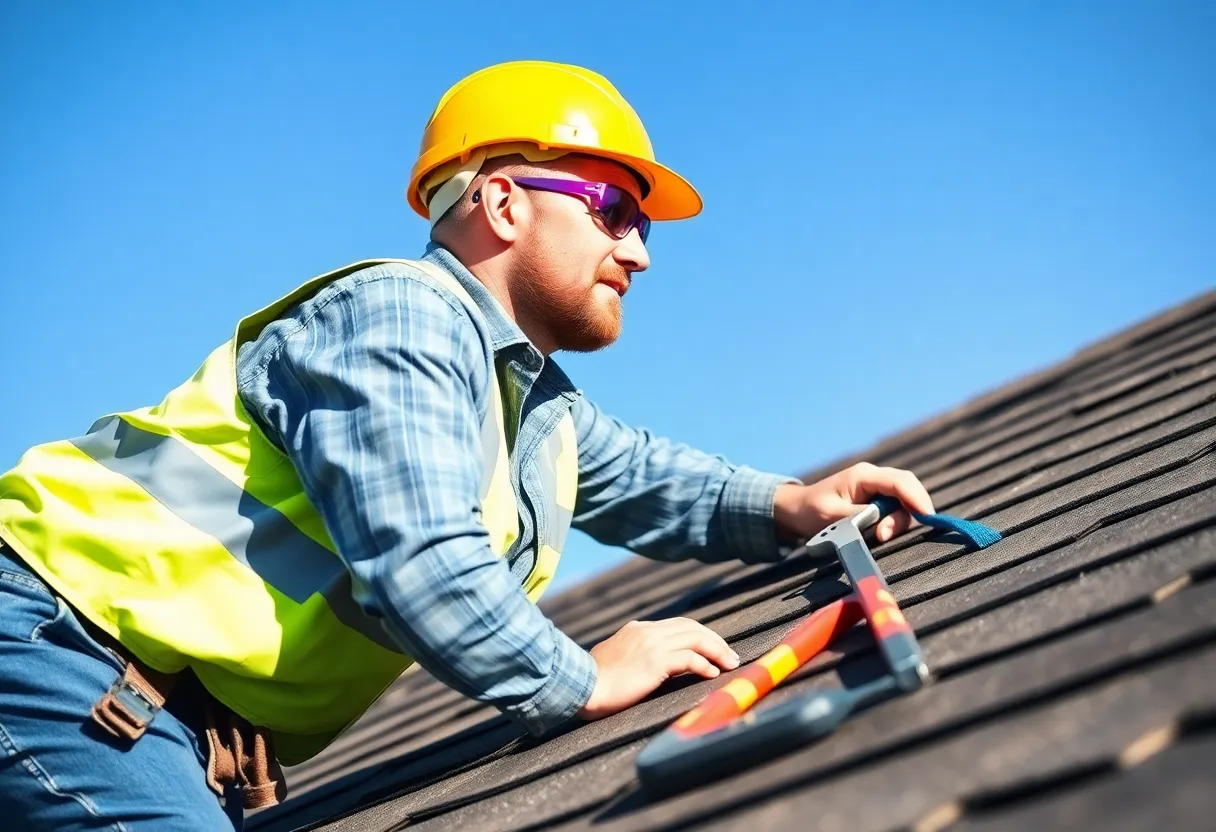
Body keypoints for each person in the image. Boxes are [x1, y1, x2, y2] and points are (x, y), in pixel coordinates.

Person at [0, 60, 935, 830]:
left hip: (143, 711)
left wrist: (790, 505)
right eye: (612, 210)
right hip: (56, 650)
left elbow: (643, 475)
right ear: (501, 202)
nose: (640, 250)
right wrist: (580, 677)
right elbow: (423, 557)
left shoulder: (524, 401)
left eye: (643, 227)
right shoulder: (401, 318)